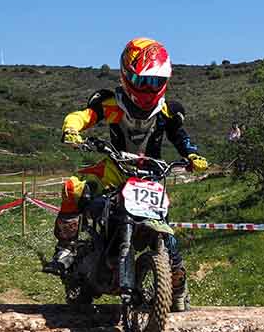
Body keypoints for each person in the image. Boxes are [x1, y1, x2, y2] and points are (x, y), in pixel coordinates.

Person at [43, 38, 207, 312]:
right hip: (114, 171)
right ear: (126, 75)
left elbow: (181, 138)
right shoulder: (110, 102)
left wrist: (193, 156)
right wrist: (72, 128)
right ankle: (66, 248)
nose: (148, 89)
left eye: (155, 82)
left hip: (150, 177)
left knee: (166, 231)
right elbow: (83, 116)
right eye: (143, 82)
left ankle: (178, 288)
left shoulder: (168, 110)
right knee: (73, 187)